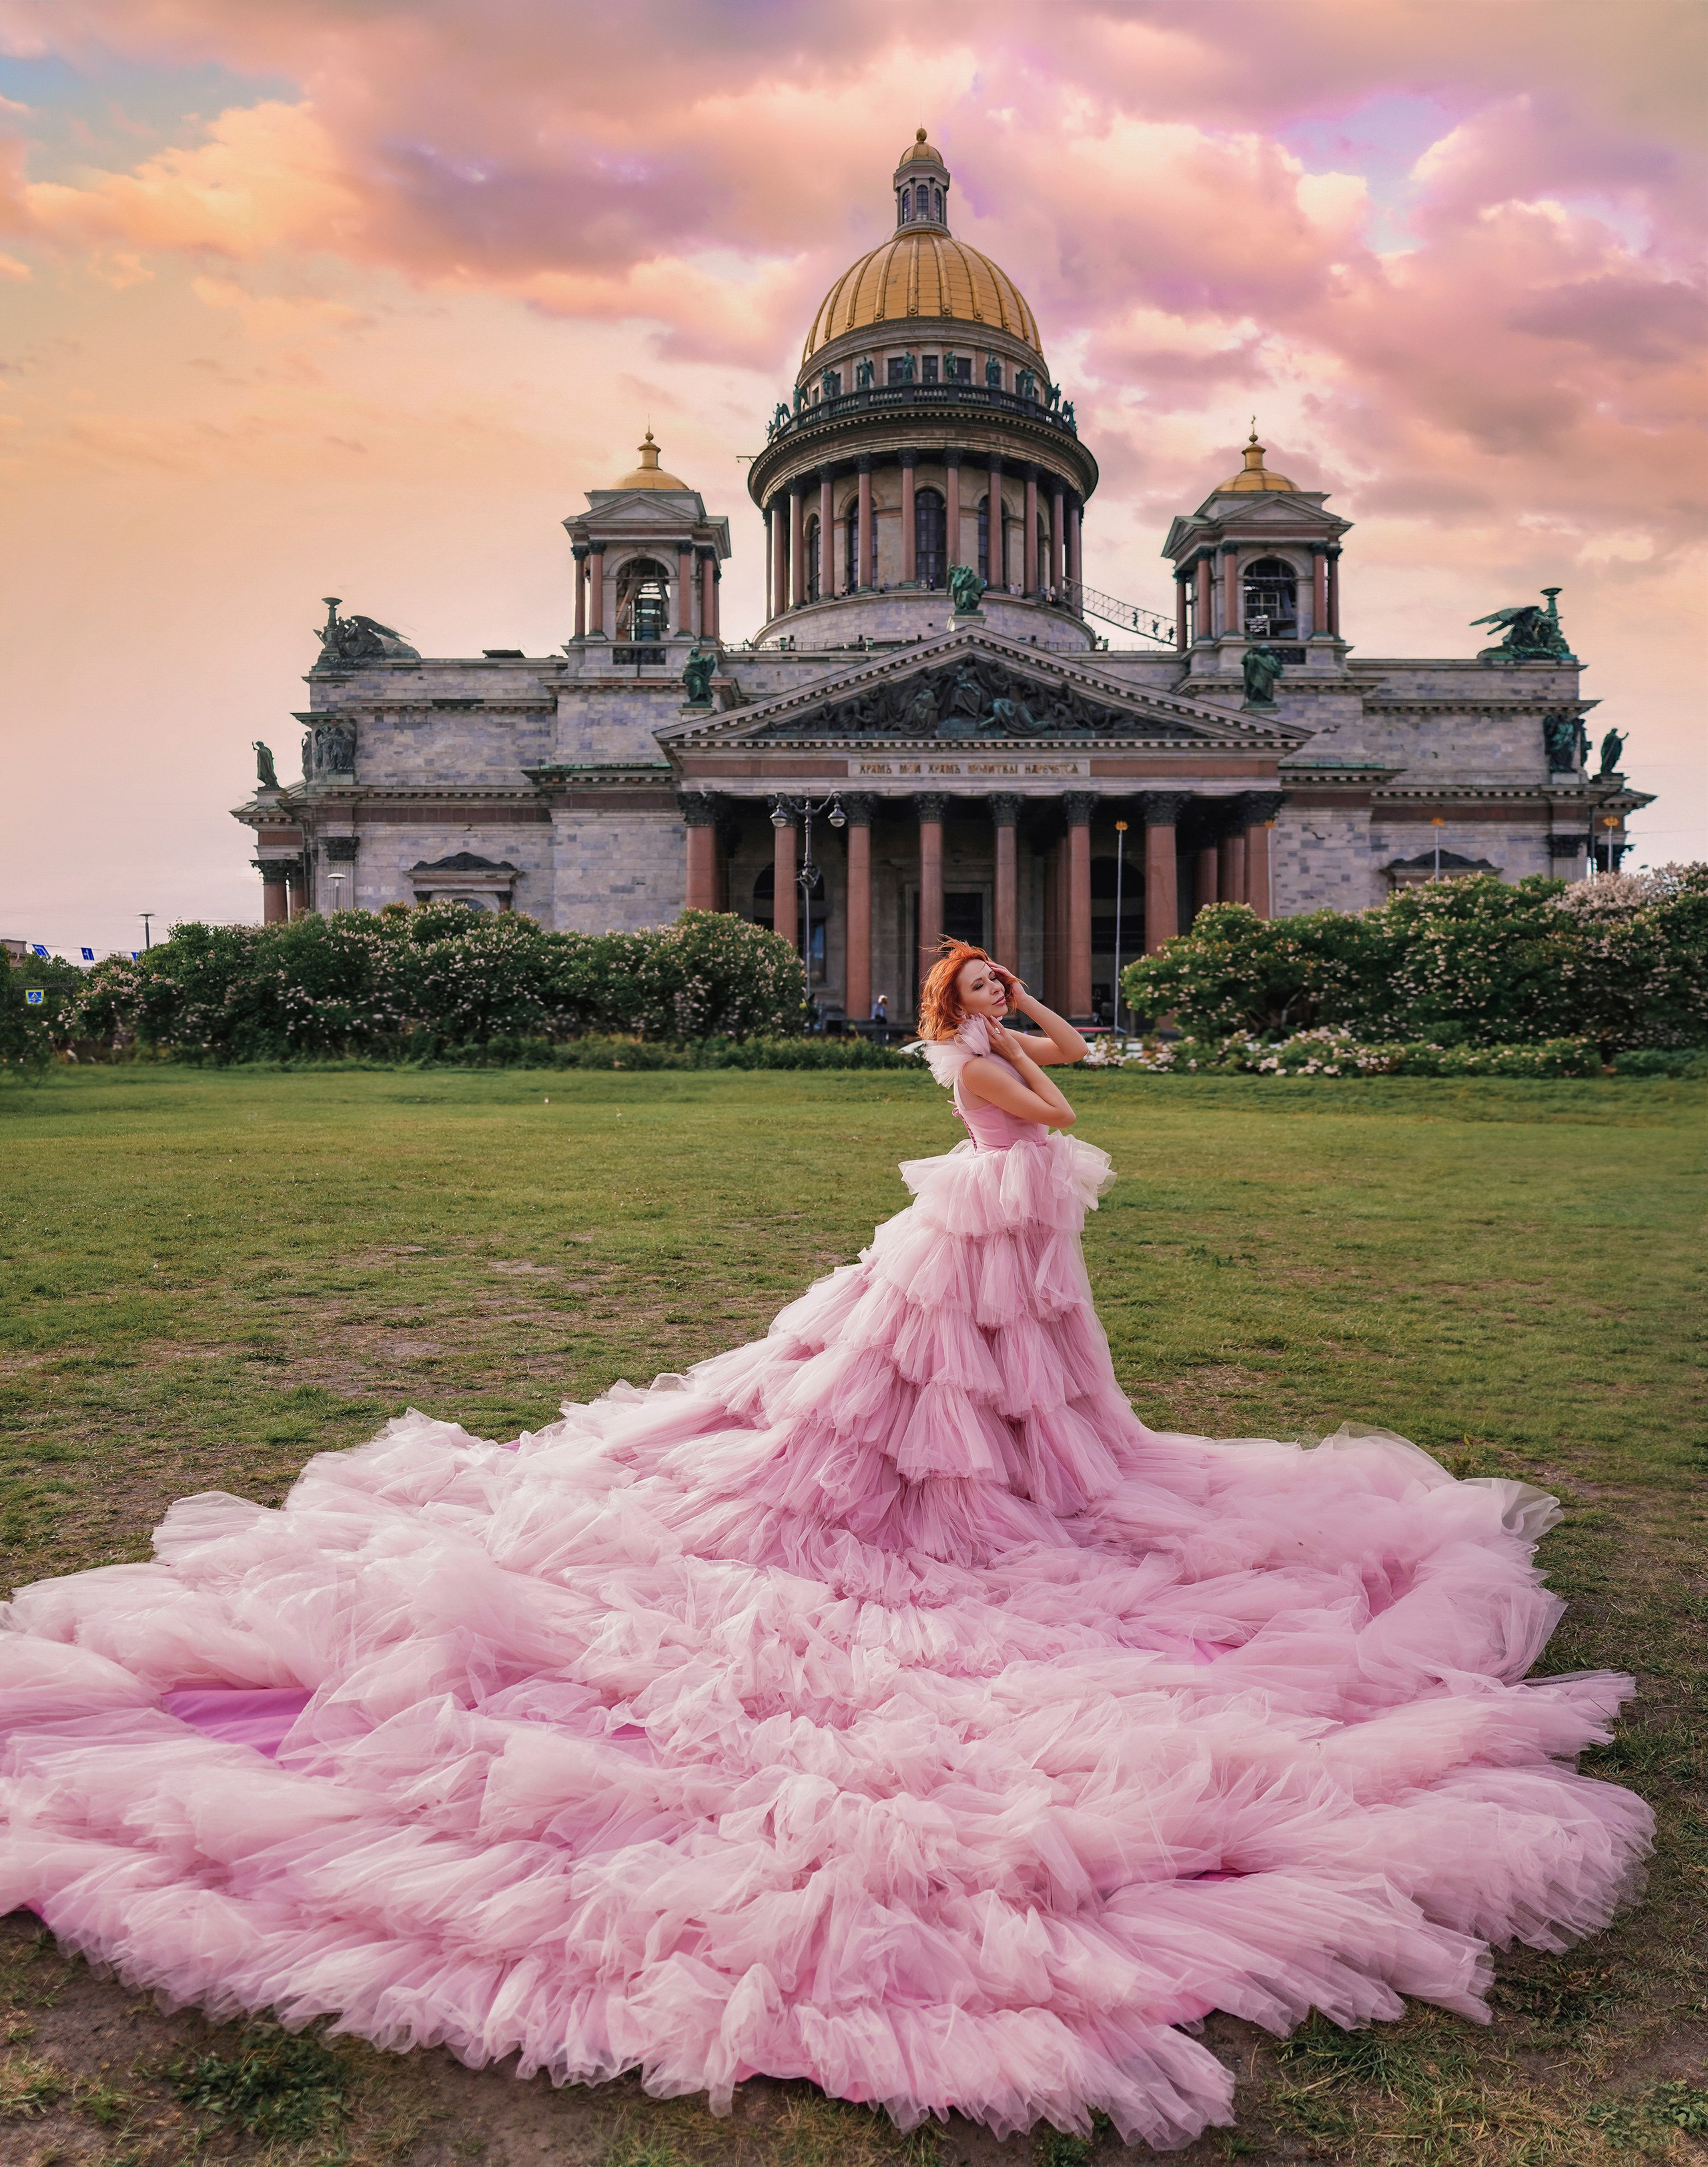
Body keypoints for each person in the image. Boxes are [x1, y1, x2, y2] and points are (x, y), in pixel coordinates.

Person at [0, 940, 1649, 2151]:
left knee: (1010, 1399)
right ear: (949, 1003)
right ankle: (926, 1509)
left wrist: (1025, 1003)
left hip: (1012, 1254)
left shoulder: (987, 1038)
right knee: (922, 1401)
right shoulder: (972, 1069)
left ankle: (1000, 1488)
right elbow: (1062, 1094)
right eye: (977, 980)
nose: (998, 992)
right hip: (974, 1250)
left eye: (998, 973)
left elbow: (1070, 1056)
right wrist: (1008, 1036)